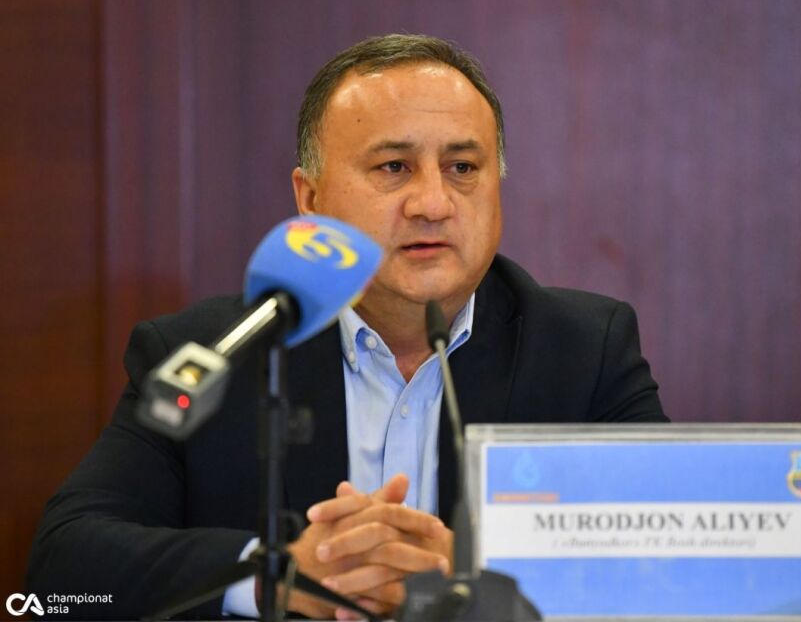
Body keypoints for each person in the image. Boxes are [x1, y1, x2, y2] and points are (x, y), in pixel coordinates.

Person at [27, 34, 666, 620]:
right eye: (393, 167)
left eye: (462, 168)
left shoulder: (584, 350)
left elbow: (681, 563)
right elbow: (59, 581)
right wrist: (274, 575)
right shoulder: (215, 354)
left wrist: (475, 576)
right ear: (311, 200)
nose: (433, 203)